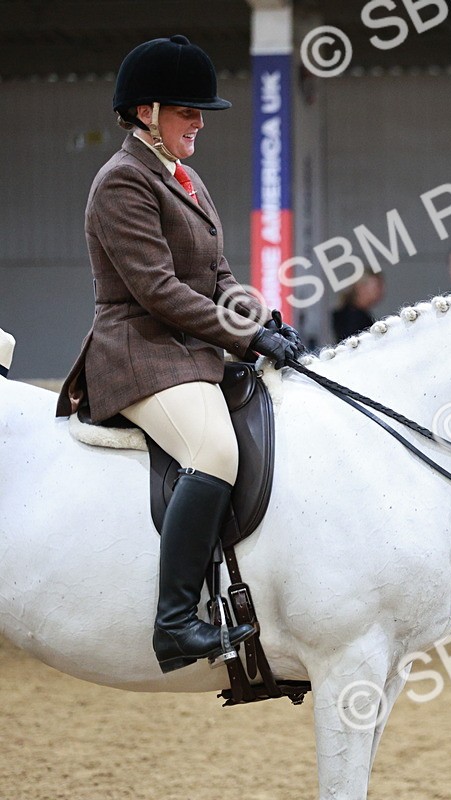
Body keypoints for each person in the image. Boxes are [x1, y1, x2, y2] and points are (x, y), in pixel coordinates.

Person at [54, 35, 304, 673]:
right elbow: (158, 291)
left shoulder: (185, 179)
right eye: (187, 110)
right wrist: (245, 337)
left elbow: (218, 276)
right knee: (214, 449)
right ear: (146, 113)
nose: (199, 121)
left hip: (189, 349)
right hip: (138, 351)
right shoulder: (122, 182)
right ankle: (175, 622)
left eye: (201, 112)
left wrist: (266, 321)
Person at [332, 271, 385, 341]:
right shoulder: (354, 318)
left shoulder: (350, 314)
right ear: (361, 288)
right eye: (377, 286)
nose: (381, 291)